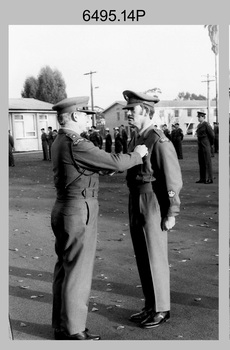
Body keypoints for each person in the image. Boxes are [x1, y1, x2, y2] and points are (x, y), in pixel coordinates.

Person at [50, 96, 148, 340]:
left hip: (64, 207)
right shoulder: (76, 143)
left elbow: (94, 165)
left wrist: (107, 166)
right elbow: (112, 160)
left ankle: (62, 325)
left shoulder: (60, 140)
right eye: (84, 115)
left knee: (64, 268)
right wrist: (137, 154)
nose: (87, 120)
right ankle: (74, 330)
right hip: (78, 210)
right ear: (74, 116)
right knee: (78, 272)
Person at [122, 90, 182, 329]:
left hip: (152, 201)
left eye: (132, 111)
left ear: (145, 112)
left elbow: (172, 179)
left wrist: (172, 212)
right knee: (142, 255)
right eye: (127, 111)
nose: (128, 115)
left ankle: (161, 308)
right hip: (135, 199)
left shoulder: (158, 139)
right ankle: (150, 305)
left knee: (155, 256)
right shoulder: (135, 138)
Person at [195, 111, 214, 184]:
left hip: (206, 143)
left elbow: (212, 135)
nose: (198, 118)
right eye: (198, 117)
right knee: (201, 162)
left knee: (207, 162)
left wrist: (210, 144)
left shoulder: (206, 124)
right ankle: (202, 178)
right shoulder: (199, 125)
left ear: (203, 117)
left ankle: (210, 178)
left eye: (199, 117)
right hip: (200, 144)